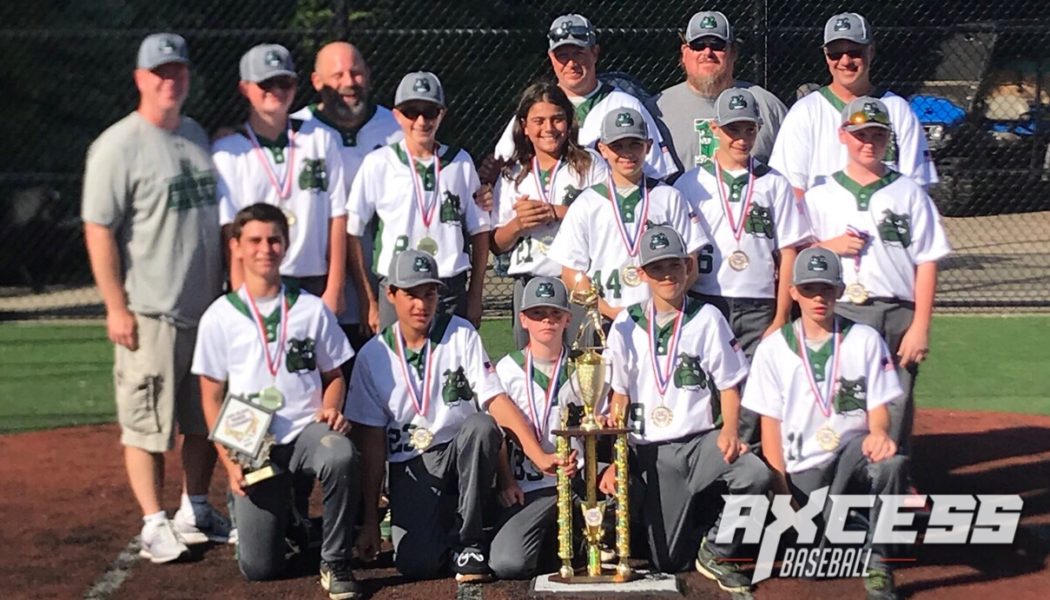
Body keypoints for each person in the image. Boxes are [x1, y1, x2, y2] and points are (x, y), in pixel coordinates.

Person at [81, 32, 228, 564]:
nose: (171, 81)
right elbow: (98, 229)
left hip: (205, 309)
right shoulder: (118, 145)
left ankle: (195, 508)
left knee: (201, 421)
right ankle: (151, 520)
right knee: (147, 423)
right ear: (141, 79)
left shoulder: (193, 134)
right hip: (150, 311)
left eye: (178, 72)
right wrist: (115, 305)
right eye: (160, 73)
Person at [347, 250, 568, 582]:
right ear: (391, 294)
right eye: (411, 294)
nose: (421, 304)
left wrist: (537, 453)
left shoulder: (460, 332)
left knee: (481, 426)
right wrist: (368, 520)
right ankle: (450, 526)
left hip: (460, 451)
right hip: (413, 464)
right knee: (417, 564)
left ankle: (470, 539)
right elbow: (373, 443)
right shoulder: (372, 355)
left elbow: (494, 398)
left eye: (430, 293)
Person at [192, 204, 360, 599]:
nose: (264, 249)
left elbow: (334, 375)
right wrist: (227, 459)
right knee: (260, 568)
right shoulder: (220, 316)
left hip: (305, 429)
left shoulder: (309, 308)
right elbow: (211, 395)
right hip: (251, 441)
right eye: (254, 240)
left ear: (285, 246)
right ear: (236, 246)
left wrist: (332, 405)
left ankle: (335, 560)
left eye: (273, 240)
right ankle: (292, 521)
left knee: (340, 454)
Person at [599, 226, 773, 593]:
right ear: (642, 273)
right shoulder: (625, 324)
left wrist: (729, 431)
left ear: (688, 266)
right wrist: (619, 456)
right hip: (652, 450)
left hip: (699, 442)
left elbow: (729, 384)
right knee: (667, 560)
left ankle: (717, 548)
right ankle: (696, 520)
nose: (667, 276)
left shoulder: (707, 317)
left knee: (754, 473)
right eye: (657, 268)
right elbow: (620, 398)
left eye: (674, 266)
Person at [742, 246, 908, 600]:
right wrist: (782, 490)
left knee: (891, 465)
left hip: (852, 453)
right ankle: (848, 529)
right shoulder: (773, 349)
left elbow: (879, 405)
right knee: (812, 566)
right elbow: (769, 425)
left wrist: (879, 432)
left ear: (840, 291)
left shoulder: (864, 339)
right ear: (792, 293)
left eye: (827, 289)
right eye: (809, 289)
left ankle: (880, 564)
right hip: (804, 468)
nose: (818, 298)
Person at [803, 97, 950, 457]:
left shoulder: (909, 192)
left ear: (889, 138)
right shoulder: (820, 195)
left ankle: (891, 484)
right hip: (845, 311)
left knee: (896, 400)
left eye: (877, 135)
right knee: (844, 396)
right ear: (842, 135)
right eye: (859, 134)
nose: (868, 142)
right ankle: (845, 485)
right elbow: (799, 260)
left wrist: (921, 326)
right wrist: (828, 246)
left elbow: (928, 259)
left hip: (898, 311)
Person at [673, 87, 812, 446]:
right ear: (715, 130)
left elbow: (789, 252)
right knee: (704, 388)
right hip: (706, 299)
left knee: (753, 392)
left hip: (758, 304)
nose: (741, 138)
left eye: (749, 129)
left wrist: (781, 316)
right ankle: (707, 477)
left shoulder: (774, 184)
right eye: (733, 129)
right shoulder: (691, 184)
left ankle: (743, 478)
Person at [346, 71, 490, 332]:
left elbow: (480, 231)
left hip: (448, 287)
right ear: (397, 115)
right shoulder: (378, 163)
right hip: (397, 289)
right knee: (397, 368)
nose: (421, 120)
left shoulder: (460, 162)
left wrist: (475, 294)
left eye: (430, 111)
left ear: (442, 114)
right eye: (412, 111)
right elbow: (353, 230)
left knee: (450, 369)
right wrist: (368, 299)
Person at [213, 43, 347, 315]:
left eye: (284, 83)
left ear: (296, 86)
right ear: (245, 88)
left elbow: (338, 216)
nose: (276, 91)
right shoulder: (228, 151)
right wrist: (241, 294)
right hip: (257, 281)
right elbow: (230, 232)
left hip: (313, 280)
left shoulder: (322, 139)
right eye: (266, 84)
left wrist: (335, 288)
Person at [291, 41, 402, 356]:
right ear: (316, 82)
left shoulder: (395, 126)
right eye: (337, 75)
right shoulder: (296, 130)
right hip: (317, 286)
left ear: (367, 75)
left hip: (383, 283)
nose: (349, 82)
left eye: (355, 73)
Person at [548, 107, 706, 324]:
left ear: (648, 146)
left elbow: (691, 263)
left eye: (635, 144)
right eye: (617, 146)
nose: (627, 153)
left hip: (661, 317)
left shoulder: (669, 197)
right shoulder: (587, 202)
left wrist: (660, 306)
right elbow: (570, 272)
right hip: (603, 318)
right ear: (602, 149)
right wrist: (609, 311)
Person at [769, 12, 938, 197]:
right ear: (826, 56)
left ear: (871, 51)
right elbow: (790, 187)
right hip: (822, 223)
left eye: (854, 52)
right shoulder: (805, 111)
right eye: (835, 53)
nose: (845, 61)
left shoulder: (897, 109)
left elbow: (917, 185)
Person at [491, 81, 608, 347]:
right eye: (538, 120)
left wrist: (559, 212)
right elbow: (496, 244)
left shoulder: (589, 164)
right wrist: (519, 224)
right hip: (530, 282)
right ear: (524, 125)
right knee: (534, 367)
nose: (548, 128)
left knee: (584, 363)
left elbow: (607, 223)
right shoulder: (513, 173)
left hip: (577, 281)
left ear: (569, 121)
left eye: (557, 119)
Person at [491, 14, 677, 180]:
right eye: (562, 56)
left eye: (578, 53)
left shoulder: (626, 105)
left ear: (595, 53)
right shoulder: (536, 108)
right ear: (551, 58)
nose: (571, 63)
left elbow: (658, 174)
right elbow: (504, 166)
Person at [490, 276, 581, 579]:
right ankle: (548, 543)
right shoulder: (506, 368)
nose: (548, 321)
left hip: (578, 482)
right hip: (527, 487)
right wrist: (505, 481)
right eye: (538, 314)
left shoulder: (584, 367)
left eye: (555, 313)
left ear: (568, 318)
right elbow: (497, 435)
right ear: (523, 320)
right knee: (508, 563)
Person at [649, 10, 788, 172]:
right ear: (685, 52)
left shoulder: (767, 106)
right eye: (698, 45)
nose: (707, 53)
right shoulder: (657, 111)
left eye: (717, 45)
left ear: (733, 52)